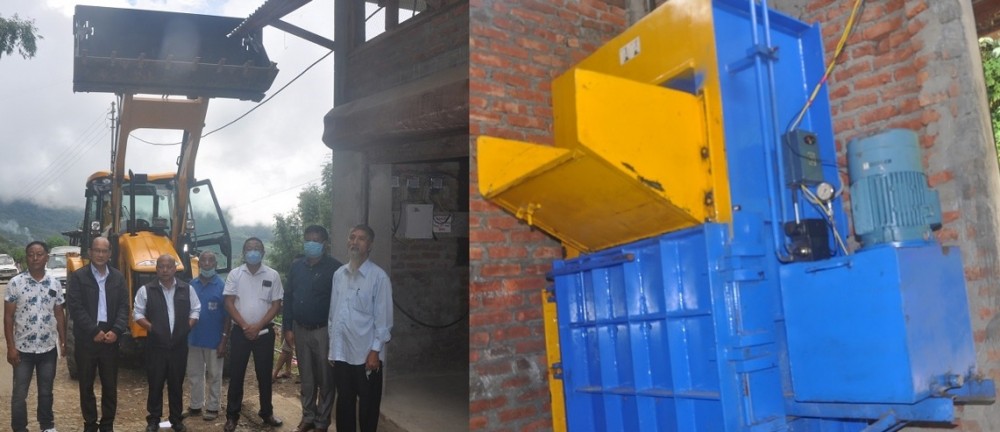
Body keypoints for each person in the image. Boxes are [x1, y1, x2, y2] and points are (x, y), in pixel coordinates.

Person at [328, 224, 393, 432]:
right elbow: (333, 315)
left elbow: (383, 320)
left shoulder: (379, 277)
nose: (355, 242)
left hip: (366, 355)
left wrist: (375, 351)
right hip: (342, 354)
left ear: (370, 245)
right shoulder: (339, 274)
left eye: (361, 238)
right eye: (352, 237)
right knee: (345, 403)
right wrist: (333, 349)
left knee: (368, 406)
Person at [66, 236, 129, 432]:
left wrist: (117, 330)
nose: (100, 254)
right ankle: (90, 424)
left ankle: (107, 424)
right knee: (86, 386)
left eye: (105, 251)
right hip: (87, 339)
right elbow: (75, 307)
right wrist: (93, 330)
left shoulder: (118, 278)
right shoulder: (78, 277)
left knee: (110, 386)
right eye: (97, 250)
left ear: (110, 254)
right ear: (90, 252)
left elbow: (123, 307)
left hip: (111, 339)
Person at [284, 225, 342, 432]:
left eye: (315, 241)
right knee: (306, 377)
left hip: (323, 330)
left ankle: (322, 421)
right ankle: (308, 416)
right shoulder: (297, 267)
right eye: (307, 240)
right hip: (299, 329)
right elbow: (288, 296)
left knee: (326, 377)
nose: (311, 244)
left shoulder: (335, 269)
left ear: (324, 244)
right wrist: (287, 328)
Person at [223, 238, 285, 432]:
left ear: (263, 252)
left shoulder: (272, 275)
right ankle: (232, 416)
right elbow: (229, 303)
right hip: (240, 334)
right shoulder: (235, 274)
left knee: (264, 375)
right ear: (243, 252)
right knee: (236, 375)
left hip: (264, 333)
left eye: (257, 248)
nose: (253, 252)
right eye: (249, 249)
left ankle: (267, 413)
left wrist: (258, 326)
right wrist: (244, 326)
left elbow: (277, 305)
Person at [4, 241, 66, 432]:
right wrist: (11, 347)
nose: (35, 258)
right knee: (20, 393)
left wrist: (63, 341)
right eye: (31, 254)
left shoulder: (54, 283)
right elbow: (8, 317)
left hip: (47, 348)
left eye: (39, 254)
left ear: (47, 257)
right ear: (26, 257)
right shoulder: (16, 283)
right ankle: (19, 427)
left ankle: (47, 426)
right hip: (23, 350)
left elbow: (59, 313)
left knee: (46, 392)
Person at [134, 254, 201, 432]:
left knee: (176, 384)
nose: (165, 270)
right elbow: (138, 314)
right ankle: (154, 420)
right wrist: (153, 329)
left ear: (175, 268)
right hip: (155, 347)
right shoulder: (146, 290)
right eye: (161, 266)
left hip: (178, 347)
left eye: (168, 266)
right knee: (155, 384)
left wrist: (186, 327)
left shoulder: (186, 289)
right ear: (156, 269)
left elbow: (196, 310)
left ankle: (175, 420)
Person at [184, 251, 228, 421]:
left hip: (214, 340)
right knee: (194, 374)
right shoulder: (191, 285)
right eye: (204, 260)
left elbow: (227, 316)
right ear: (199, 264)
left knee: (215, 375)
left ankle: (213, 406)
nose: (207, 263)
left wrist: (224, 340)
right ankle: (195, 405)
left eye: (211, 260)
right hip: (193, 338)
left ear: (216, 264)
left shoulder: (222, 286)